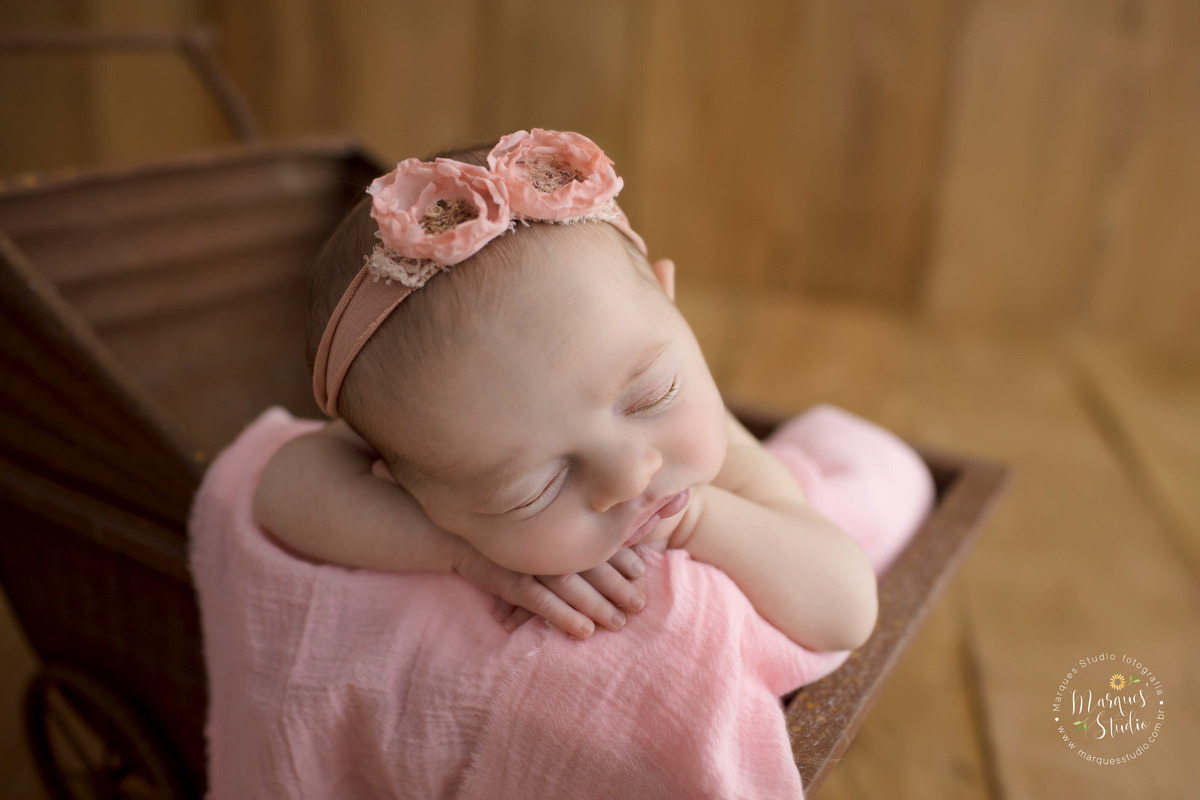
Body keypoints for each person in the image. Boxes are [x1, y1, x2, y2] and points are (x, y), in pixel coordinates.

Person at [252, 128, 878, 652]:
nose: (630, 476)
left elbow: (844, 609)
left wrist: (701, 518)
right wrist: (456, 552)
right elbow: (281, 491)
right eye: (533, 490)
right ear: (402, 482)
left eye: (650, 397)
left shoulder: (722, 462)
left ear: (669, 300)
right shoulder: (433, 440)